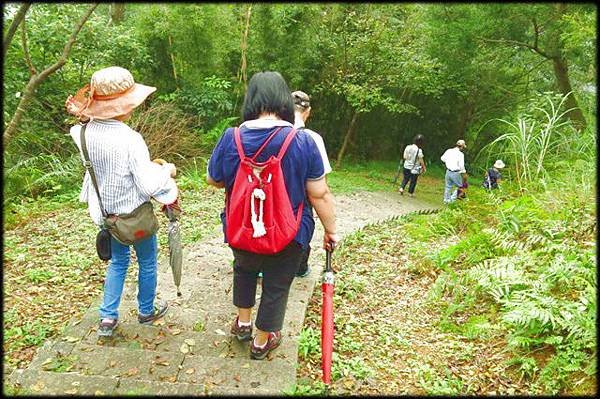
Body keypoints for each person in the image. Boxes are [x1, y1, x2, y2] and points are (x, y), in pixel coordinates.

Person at [207, 71, 338, 360]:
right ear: (283, 100)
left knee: (243, 270)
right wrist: (331, 229)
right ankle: (262, 340)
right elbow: (319, 193)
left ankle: (243, 323)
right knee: (277, 282)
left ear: (251, 99)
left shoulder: (232, 137)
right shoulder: (303, 141)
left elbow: (214, 179)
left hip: (242, 226)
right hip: (289, 230)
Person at [65, 66, 179, 337]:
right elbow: (149, 183)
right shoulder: (130, 139)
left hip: (107, 215)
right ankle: (146, 310)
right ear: (122, 106)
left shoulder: (81, 134)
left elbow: (82, 128)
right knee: (148, 261)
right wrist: (167, 171)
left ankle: (107, 318)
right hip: (134, 215)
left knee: (118, 262)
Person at [291, 90, 332, 278]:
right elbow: (321, 188)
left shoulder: (267, 132)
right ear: (307, 112)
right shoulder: (312, 138)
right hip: (300, 203)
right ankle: (299, 266)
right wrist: (330, 228)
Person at [440, 139, 468, 204]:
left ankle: (446, 200)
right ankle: (452, 200)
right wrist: (464, 173)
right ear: (461, 146)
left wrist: (448, 162)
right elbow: (461, 166)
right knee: (460, 186)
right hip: (456, 172)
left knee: (448, 186)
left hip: (448, 171)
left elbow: (442, 158)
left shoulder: (449, 151)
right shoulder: (461, 154)